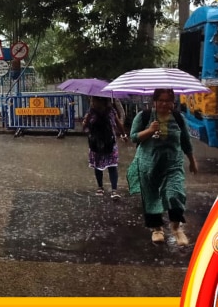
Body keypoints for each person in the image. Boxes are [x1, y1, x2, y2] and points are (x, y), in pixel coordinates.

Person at [128, 88, 198, 245]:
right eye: (161, 100)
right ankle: (156, 228)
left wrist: (192, 161)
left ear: (173, 102)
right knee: (151, 197)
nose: (164, 104)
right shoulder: (144, 116)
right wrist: (150, 130)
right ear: (155, 101)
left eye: (168, 101)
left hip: (172, 163)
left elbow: (186, 141)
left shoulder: (178, 118)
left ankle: (176, 227)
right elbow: (133, 137)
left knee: (175, 193)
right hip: (148, 163)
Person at [82, 96, 128, 199]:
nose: (92, 102)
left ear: (102, 101)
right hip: (96, 142)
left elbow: (118, 123)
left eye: (94, 100)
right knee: (97, 165)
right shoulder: (91, 112)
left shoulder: (111, 111)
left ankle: (114, 190)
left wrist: (123, 134)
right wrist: (85, 122)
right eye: (92, 100)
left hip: (110, 142)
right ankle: (100, 187)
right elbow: (84, 126)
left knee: (112, 165)